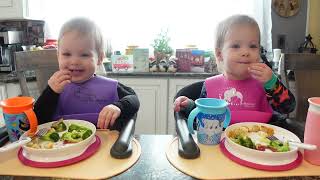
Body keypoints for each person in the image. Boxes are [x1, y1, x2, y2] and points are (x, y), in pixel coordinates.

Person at [174, 15, 295, 125]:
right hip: (218, 147)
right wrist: (189, 106)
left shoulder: (266, 85)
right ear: (220, 54)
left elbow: (288, 108)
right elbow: (201, 115)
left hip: (259, 147)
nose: (245, 52)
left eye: (252, 46)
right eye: (236, 46)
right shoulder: (210, 85)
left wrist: (272, 83)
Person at [34, 17, 140, 131]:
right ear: (58, 56)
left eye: (84, 55)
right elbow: (38, 119)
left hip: (105, 146)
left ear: (99, 58)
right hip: (61, 147)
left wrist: (118, 107)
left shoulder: (110, 87)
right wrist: (50, 92)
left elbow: (134, 99)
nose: (74, 61)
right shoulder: (55, 89)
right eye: (66, 54)